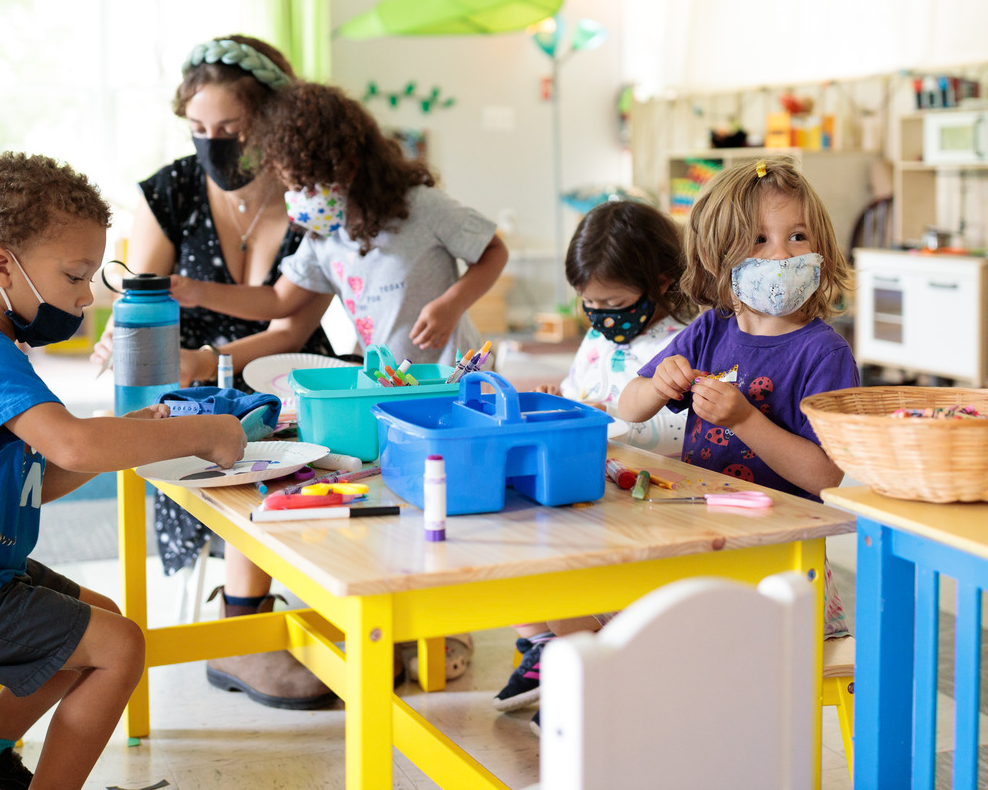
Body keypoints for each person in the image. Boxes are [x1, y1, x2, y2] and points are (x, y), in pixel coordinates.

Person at [0, 151, 247, 790]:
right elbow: (71, 445)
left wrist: (137, 438)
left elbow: (45, 475)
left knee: (98, 616)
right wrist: (201, 432)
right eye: (74, 276)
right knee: (119, 648)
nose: (85, 297)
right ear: (1, 266)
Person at [89, 36, 341, 711]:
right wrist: (137, 344)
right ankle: (244, 630)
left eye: (228, 129)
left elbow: (292, 325)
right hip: (188, 384)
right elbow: (144, 302)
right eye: (198, 129)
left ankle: (343, 604)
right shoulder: (171, 189)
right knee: (233, 440)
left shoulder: (312, 198)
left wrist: (213, 356)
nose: (212, 143)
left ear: (273, 119)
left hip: (287, 366)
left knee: (337, 438)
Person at [618, 153, 853, 627]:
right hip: (701, 536)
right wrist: (658, 385)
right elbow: (629, 405)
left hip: (781, 558)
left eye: (797, 236)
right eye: (759, 241)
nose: (782, 255)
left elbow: (827, 476)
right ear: (718, 255)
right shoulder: (712, 328)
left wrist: (745, 420)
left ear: (821, 245)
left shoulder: (825, 354)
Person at [491, 200, 698, 721]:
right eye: (589, 304)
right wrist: (559, 397)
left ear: (662, 282)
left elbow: (681, 429)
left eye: (614, 302)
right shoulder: (597, 336)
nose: (602, 316)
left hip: (652, 499)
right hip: (594, 485)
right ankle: (548, 645)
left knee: (554, 568)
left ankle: (590, 668)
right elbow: (578, 389)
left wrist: (601, 415)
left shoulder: (686, 341)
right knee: (504, 537)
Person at [170, 80, 509, 365]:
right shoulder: (324, 234)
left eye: (308, 184)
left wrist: (452, 304)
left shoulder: (421, 207)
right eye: (293, 186)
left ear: (348, 164)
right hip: (394, 384)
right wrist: (198, 292)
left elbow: (494, 250)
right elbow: (277, 300)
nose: (302, 198)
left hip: (456, 375)